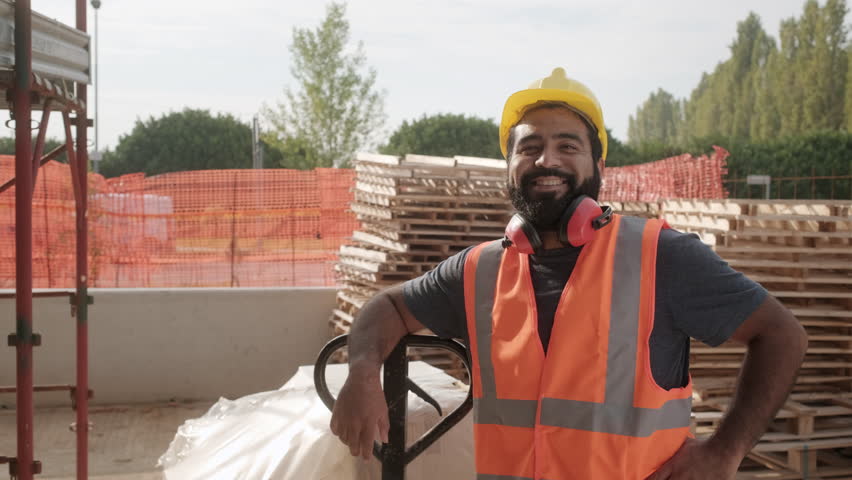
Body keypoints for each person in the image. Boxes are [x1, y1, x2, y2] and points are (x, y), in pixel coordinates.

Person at [330, 67, 808, 480]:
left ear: (598, 165)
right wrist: (364, 372)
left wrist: (724, 452)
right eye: (530, 146)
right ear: (510, 166)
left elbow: (781, 333)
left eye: (567, 145)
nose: (547, 160)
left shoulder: (660, 255)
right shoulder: (479, 271)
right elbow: (387, 307)